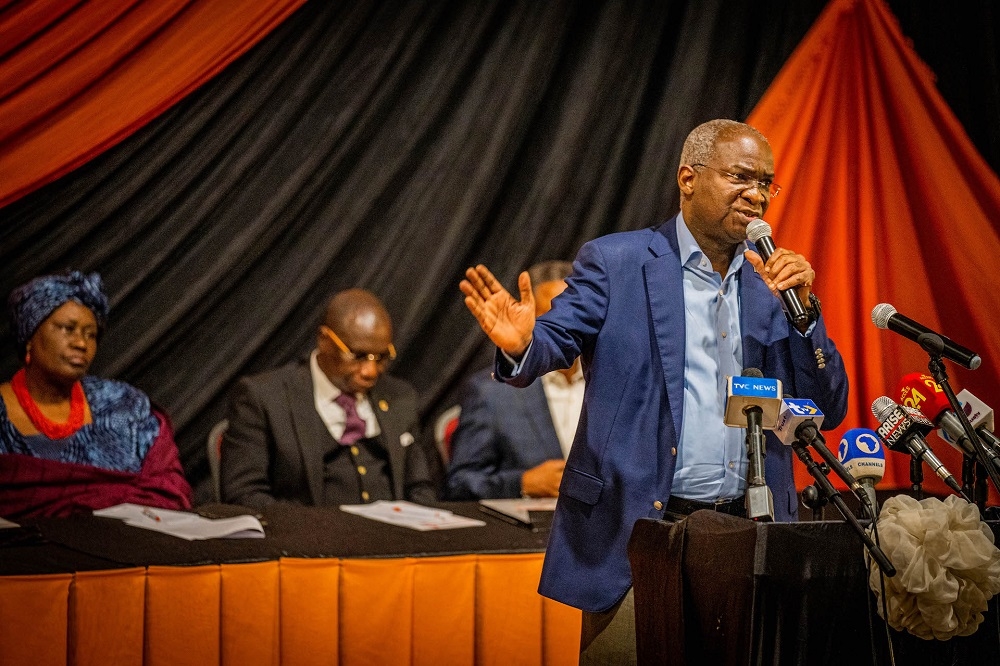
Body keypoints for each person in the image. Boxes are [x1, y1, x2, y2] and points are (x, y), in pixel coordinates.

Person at [460, 119, 849, 661]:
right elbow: (555, 339)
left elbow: (826, 408)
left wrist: (807, 317)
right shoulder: (618, 262)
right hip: (638, 533)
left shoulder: (771, 288)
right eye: (741, 177)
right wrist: (523, 342)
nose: (757, 195)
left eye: (766, 182)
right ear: (688, 178)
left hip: (748, 532)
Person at [221, 288, 438, 510]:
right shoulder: (263, 398)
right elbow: (244, 494)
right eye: (357, 356)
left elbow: (419, 486)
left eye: (382, 357)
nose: (370, 371)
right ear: (324, 340)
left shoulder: (400, 396)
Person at [0, 271, 192, 518]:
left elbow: (170, 490)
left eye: (91, 334)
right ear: (29, 338)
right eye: (68, 329)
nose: (81, 343)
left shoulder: (124, 407)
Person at [447, 260, 583, 500]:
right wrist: (522, 483)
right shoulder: (492, 393)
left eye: (574, 316)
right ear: (528, 317)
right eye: (551, 317)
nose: (565, 328)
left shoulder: (615, 380)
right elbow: (460, 484)